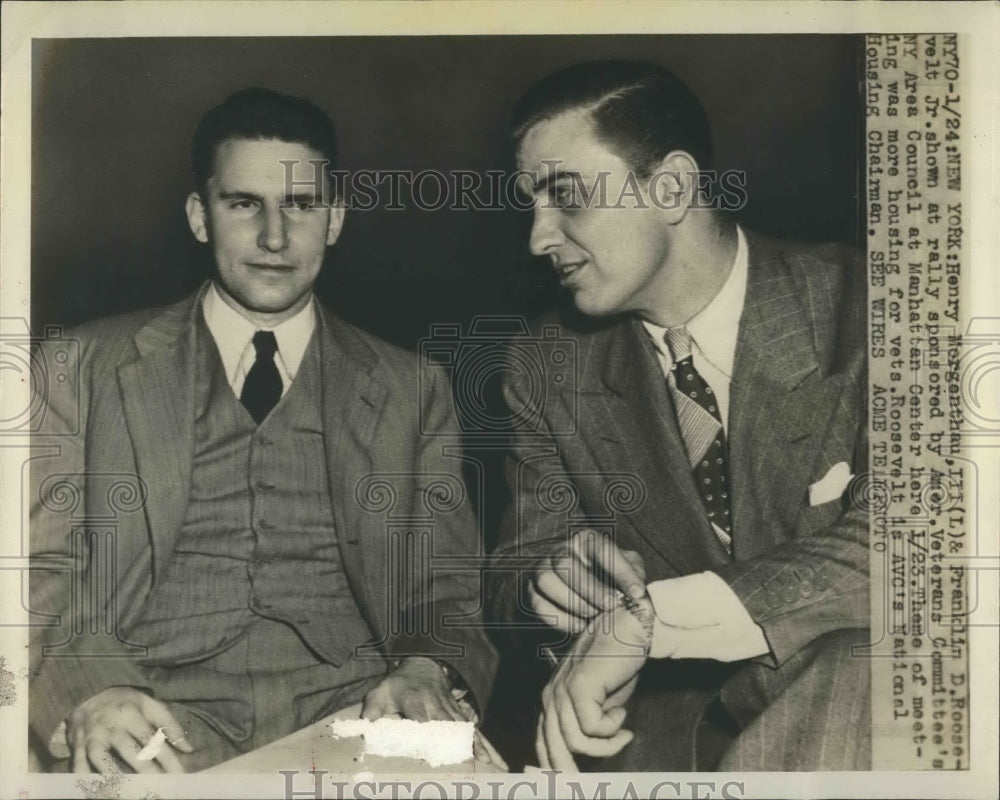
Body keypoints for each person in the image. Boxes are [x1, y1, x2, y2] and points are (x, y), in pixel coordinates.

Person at [29, 87, 496, 773]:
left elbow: (445, 586)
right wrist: (93, 687)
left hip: (359, 716)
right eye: (244, 204)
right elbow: (38, 572)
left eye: (301, 206)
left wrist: (425, 668)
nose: (275, 238)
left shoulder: (412, 388)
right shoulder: (78, 368)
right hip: (151, 714)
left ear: (335, 220)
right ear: (199, 216)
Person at [488, 60, 869, 771]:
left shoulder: (870, 307)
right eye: (530, 204)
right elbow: (513, 575)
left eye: (566, 197)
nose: (539, 237)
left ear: (671, 187)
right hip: (650, 745)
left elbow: (915, 547)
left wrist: (649, 622)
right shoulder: (544, 363)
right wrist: (549, 583)